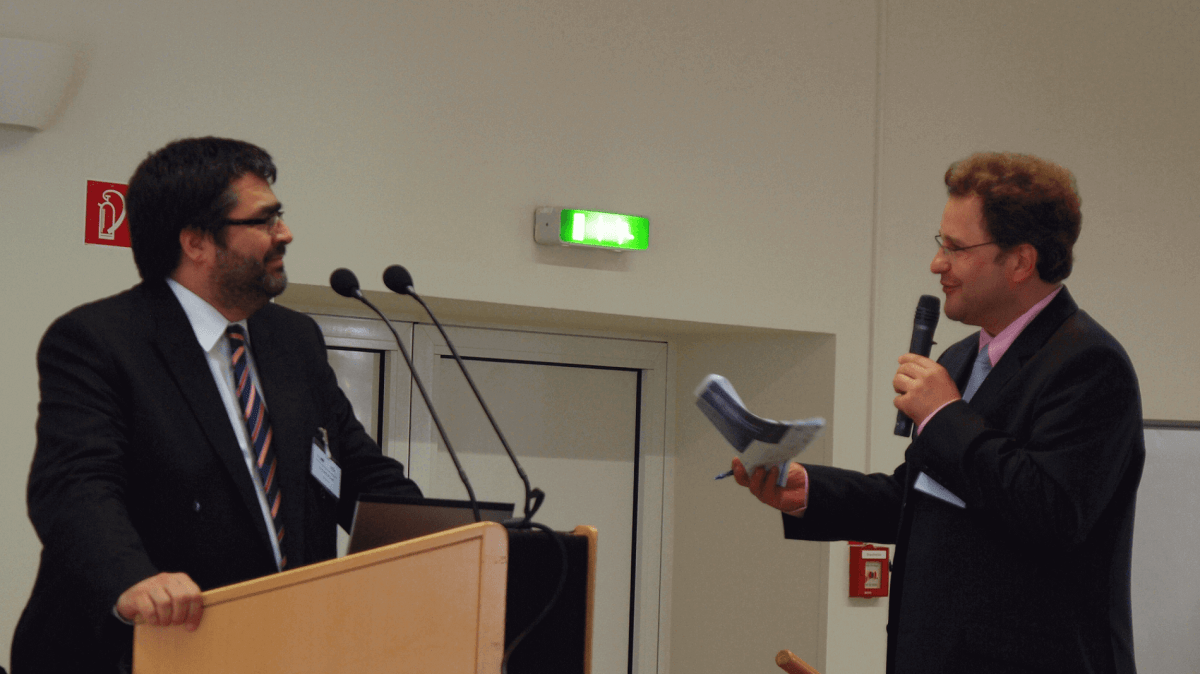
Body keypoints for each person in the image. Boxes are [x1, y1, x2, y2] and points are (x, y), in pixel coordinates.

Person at [11, 137, 422, 673]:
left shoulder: (293, 340)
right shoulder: (100, 340)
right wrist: (133, 579)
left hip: (279, 647)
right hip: (146, 649)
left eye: (279, 216)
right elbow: (75, 485)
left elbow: (358, 472)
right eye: (265, 219)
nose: (285, 233)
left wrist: (457, 536)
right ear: (196, 242)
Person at [734, 152, 1144, 674]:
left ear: (1021, 261)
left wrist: (945, 414)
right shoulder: (960, 358)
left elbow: (1052, 512)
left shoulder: (1088, 363)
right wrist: (810, 491)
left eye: (956, 247)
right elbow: (922, 500)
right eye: (940, 243)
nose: (937, 264)